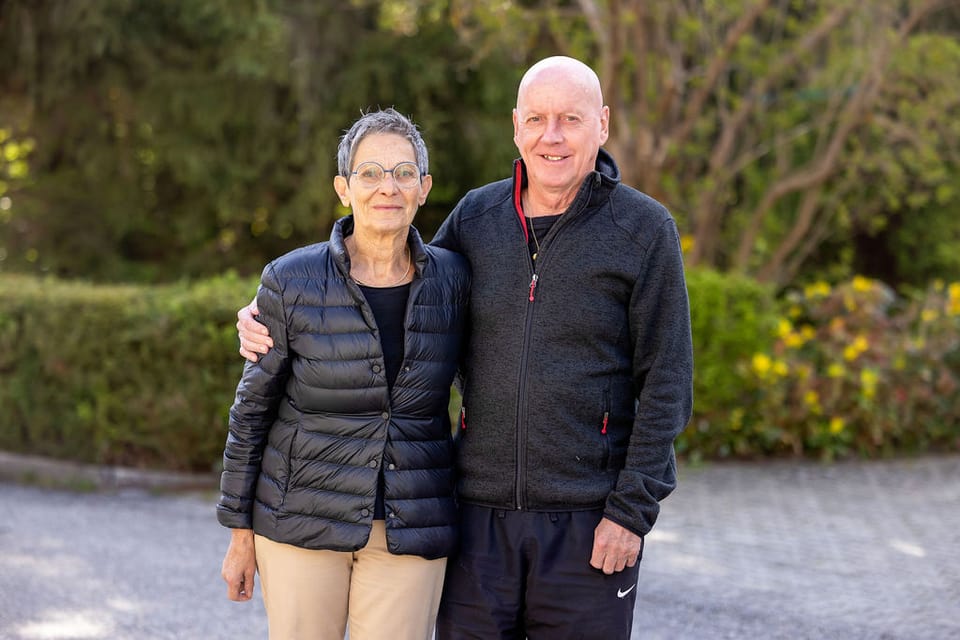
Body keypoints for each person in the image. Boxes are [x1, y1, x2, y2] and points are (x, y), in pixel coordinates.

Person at [238, 56, 693, 639]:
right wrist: (266, 312)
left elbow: (668, 386)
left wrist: (631, 513)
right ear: (515, 126)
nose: (551, 136)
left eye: (570, 119)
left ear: (601, 124)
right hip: (475, 521)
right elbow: (394, 276)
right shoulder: (477, 216)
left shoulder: (644, 230)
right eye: (536, 119)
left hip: (590, 524)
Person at [218, 108, 470, 640]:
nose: (388, 187)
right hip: (299, 521)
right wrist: (240, 531)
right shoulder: (292, 279)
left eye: (404, 173)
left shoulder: (454, 280)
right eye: (370, 172)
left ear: (424, 188)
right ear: (343, 187)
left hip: (411, 522)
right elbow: (252, 411)